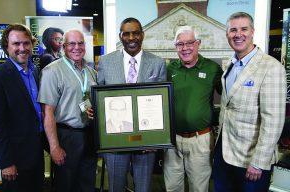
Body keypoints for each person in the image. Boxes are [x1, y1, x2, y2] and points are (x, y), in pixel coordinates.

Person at [213, 12, 286, 192]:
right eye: (233, 30)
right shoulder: (231, 65)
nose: (238, 34)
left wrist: (259, 162)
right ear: (227, 34)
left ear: (252, 31)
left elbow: (273, 121)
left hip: (250, 162)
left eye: (244, 29)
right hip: (224, 155)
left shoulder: (271, 67)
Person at [97, 17, 166, 192]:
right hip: (114, 141)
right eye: (126, 34)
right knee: (116, 188)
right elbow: (100, 98)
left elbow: (161, 104)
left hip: (146, 142)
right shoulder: (106, 62)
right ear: (120, 36)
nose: (131, 38)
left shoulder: (158, 63)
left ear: (142, 35)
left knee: (143, 188)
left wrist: (155, 139)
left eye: (135, 33)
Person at [0, 23, 44, 192]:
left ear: (32, 44)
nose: (22, 48)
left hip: (37, 155)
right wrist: (6, 162)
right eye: (16, 44)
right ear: (6, 47)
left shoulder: (36, 72)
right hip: (14, 161)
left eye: (26, 43)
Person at [163, 26, 223, 192]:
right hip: (172, 141)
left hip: (200, 140)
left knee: (199, 188)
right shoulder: (169, 70)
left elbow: (228, 97)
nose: (185, 48)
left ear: (198, 43)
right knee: (172, 188)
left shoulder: (213, 69)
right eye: (180, 44)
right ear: (176, 47)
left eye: (189, 43)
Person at [38, 29, 97, 192]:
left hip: (89, 137)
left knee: (87, 185)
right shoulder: (52, 71)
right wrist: (54, 147)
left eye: (80, 43)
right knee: (66, 185)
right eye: (71, 43)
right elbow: (47, 112)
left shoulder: (91, 72)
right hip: (66, 137)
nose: (76, 47)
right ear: (63, 46)